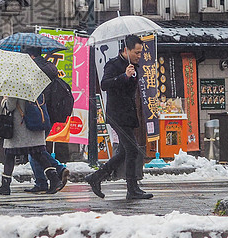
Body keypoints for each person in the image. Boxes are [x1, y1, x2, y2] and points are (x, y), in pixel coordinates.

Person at [84, 35, 152, 200]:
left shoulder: (133, 66)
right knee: (132, 150)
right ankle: (132, 188)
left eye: (140, 52)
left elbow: (128, 90)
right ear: (126, 50)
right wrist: (124, 76)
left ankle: (97, 177)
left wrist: (130, 75)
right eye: (136, 52)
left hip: (128, 113)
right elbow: (105, 84)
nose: (139, 55)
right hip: (117, 114)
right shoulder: (113, 65)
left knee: (124, 151)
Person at [22, 45, 69, 194]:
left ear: (30, 56)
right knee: (38, 148)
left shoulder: (33, 70)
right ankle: (46, 178)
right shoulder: (50, 67)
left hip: (38, 113)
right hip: (50, 113)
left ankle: (48, 177)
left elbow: (32, 94)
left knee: (34, 149)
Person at [0, 95, 62, 196]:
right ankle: (54, 179)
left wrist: (4, 100)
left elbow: (10, 106)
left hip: (20, 129)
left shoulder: (15, 87)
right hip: (34, 125)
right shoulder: (35, 88)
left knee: (10, 155)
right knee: (38, 154)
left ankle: (5, 186)